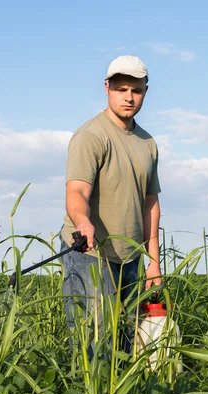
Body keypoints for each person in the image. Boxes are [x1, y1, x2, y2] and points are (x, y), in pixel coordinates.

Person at [59, 55, 163, 360]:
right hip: (90, 253)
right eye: (121, 89)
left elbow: (151, 202)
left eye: (136, 90)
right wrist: (83, 221)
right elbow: (76, 190)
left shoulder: (148, 143)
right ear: (107, 88)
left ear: (146, 90)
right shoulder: (91, 135)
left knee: (127, 341)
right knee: (93, 343)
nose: (129, 97)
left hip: (130, 255)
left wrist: (153, 261)